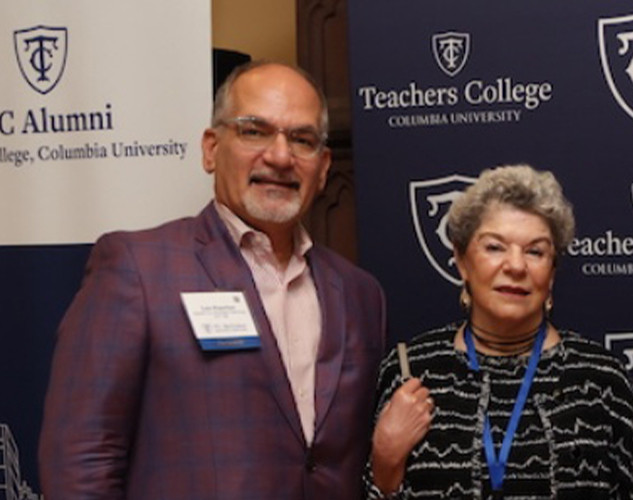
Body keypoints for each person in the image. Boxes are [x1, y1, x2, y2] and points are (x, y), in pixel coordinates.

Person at [39, 62, 387, 498]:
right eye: (254, 131)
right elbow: (82, 458)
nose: (280, 157)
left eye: (301, 139)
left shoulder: (359, 293)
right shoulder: (138, 269)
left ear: (322, 167)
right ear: (210, 148)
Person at [365, 165, 633, 498]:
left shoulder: (599, 378)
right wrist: (384, 460)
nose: (515, 266)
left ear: (552, 273)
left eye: (535, 251)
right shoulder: (412, 371)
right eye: (495, 247)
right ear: (462, 260)